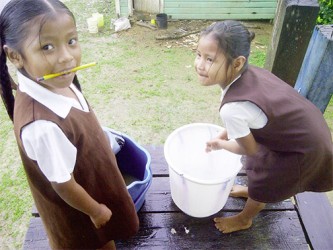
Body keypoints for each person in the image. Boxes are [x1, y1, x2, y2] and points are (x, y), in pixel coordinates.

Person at [0, 0, 139, 248]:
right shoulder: (42, 126)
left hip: (93, 188)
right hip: (81, 216)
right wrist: (95, 211)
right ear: (15, 56)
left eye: (72, 41)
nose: (66, 57)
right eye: (48, 47)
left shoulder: (54, 83)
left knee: (107, 241)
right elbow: (63, 184)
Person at [194, 20, 333, 234]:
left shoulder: (232, 108)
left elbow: (249, 149)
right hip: (307, 129)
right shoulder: (248, 74)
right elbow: (246, 120)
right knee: (260, 167)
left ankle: (244, 219)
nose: (200, 65)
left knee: (266, 183)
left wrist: (221, 144)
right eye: (198, 55)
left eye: (210, 59)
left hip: (304, 150)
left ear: (238, 63)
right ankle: (251, 191)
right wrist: (225, 134)